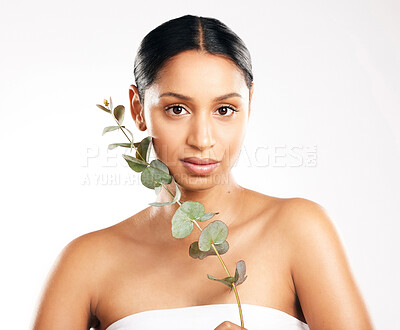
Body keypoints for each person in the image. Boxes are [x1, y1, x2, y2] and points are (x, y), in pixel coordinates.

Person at [32, 14, 374, 330]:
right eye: (177, 109)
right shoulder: (86, 262)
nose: (203, 139)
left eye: (224, 109)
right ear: (137, 110)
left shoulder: (300, 230)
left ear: (249, 105)